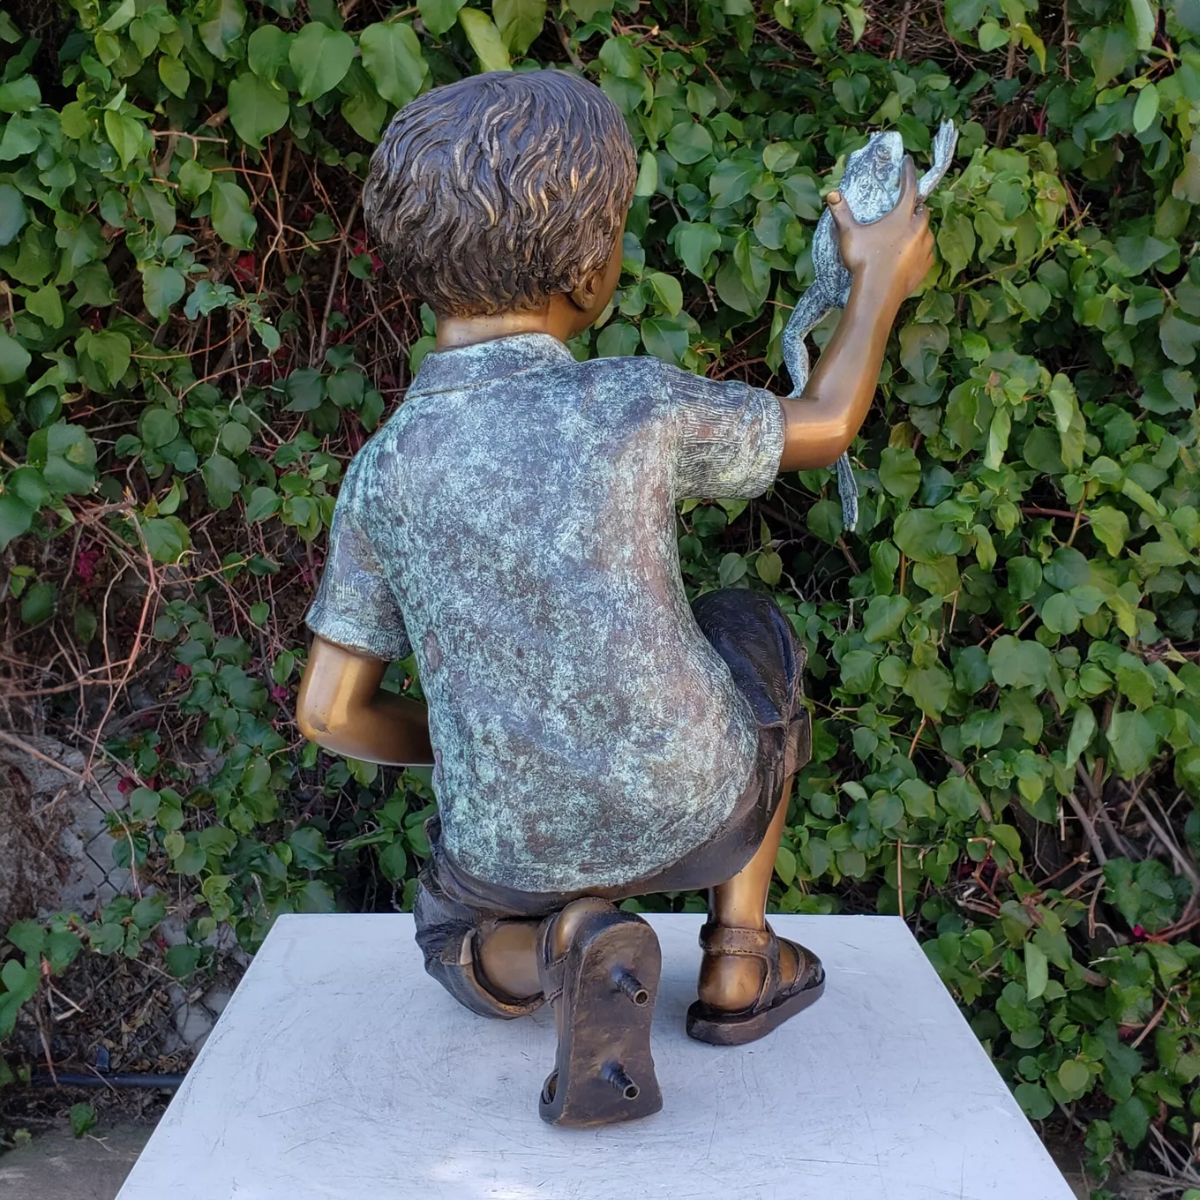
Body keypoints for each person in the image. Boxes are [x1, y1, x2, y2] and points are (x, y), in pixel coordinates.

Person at [296, 69, 934, 1124]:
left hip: (512, 851)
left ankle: (550, 946)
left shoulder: (384, 469)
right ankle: (739, 959)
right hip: (700, 803)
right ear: (591, 266)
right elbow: (822, 423)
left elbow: (329, 712)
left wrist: (485, 742)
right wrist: (877, 280)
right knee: (752, 629)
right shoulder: (631, 405)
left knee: (448, 941)